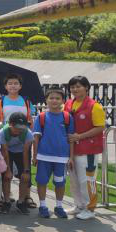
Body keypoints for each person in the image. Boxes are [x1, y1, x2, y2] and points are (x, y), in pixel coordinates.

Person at [65, 76, 104, 220]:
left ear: (86, 87)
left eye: (78, 86)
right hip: (72, 150)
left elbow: (100, 127)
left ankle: (90, 208)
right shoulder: (69, 103)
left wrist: (80, 136)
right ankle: (79, 205)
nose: (75, 89)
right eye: (72, 87)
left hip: (88, 150)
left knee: (87, 180)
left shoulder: (95, 106)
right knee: (74, 180)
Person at [32, 88, 75, 219]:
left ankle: (59, 206)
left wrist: (71, 157)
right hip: (43, 156)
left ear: (63, 100)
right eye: (51, 98)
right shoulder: (41, 117)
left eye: (57, 98)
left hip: (62, 158)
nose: (54, 101)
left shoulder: (67, 117)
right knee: (42, 181)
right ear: (46, 100)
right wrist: (34, 155)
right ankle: (43, 206)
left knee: (60, 183)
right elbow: (36, 138)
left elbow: (71, 138)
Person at [0, 112, 34, 215]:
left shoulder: (28, 133)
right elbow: (5, 151)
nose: (19, 130)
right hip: (7, 152)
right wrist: (8, 170)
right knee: (6, 177)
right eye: (17, 128)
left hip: (21, 152)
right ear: (10, 124)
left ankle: (21, 202)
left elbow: (26, 152)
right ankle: (6, 201)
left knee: (25, 177)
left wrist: (26, 171)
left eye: (22, 128)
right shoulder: (2, 132)